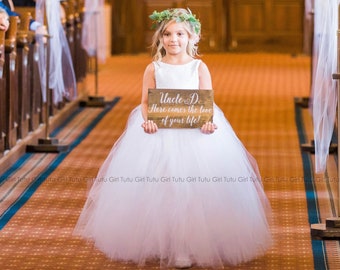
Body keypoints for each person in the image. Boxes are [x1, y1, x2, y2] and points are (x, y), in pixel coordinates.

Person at [74, 8, 272, 269]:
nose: (173, 39)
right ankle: (162, 242)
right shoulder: (153, 68)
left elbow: (206, 102)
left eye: (180, 34)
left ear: (191, 37)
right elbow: (146, 101)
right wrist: (149, 119)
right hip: (160, 134)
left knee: (193, 188)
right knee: (163, 187)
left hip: (194, 135)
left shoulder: (199, 67)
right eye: (167, 34)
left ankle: (188, 246)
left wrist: (208, 122)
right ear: (160, 38)